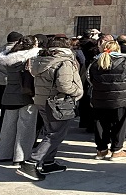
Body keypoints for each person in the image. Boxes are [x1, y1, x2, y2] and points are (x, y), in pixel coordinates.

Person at [18, 36, 86, 180]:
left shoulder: (41, 60)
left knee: (51, 132)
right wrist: (77, 91)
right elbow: (64, 85)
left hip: (42, 100)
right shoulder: (64, 62)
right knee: (56, 134)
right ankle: (31, 162)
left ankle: (48, 162)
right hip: (57, 102)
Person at [87, 40, 126, 159]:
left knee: (100, 124)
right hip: (121, 98)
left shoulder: (95, 62)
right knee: (120, 124)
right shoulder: (124, 61)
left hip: (99, 98)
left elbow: (89, 79)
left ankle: (101, 150)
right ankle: (116, 150)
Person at [0, 35, 40, 164]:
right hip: (27, 94)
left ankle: (4, 154)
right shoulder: (32, 57)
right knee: (26, 127)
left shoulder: (9, 58)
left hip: (9, 94)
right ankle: (21, 156)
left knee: (8, 127)